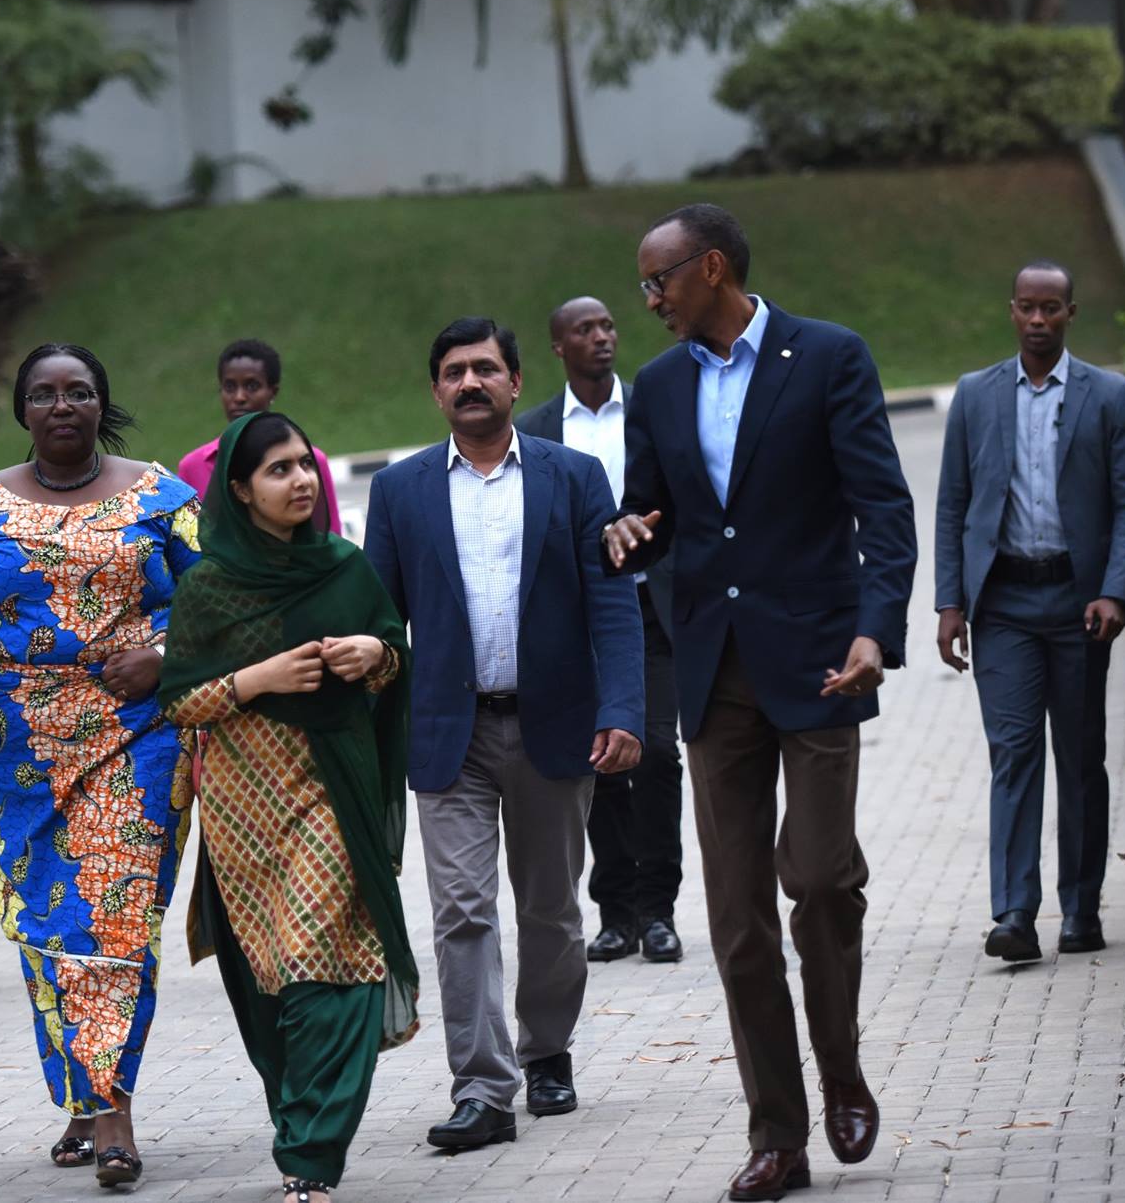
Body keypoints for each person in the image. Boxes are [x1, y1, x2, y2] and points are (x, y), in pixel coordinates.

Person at [602, 204, 919, 1202]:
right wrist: (624, 532)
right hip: (713, 673)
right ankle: (777, 1134)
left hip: (821, 660)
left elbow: (883, 503)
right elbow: (652, 513)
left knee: (821, 878)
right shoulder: (653, 387)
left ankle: (840, 1067)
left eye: (657, 281)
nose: (645, 299)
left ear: (710, 268)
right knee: (737, 919)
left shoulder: (826, 356)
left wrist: (877, 628)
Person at [0, 343, 201, 1189]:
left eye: (80, 392)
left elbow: (223, 605)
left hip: (140, 740)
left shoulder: (164, 499)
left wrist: (165, 656)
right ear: (23, 411)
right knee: (53, 931)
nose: (63, 405)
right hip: (12, 754)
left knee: (119, 923)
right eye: (44, 394)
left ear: (103, 404)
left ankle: (115, 1119)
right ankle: (85, 1095)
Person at [362, 317, 643, 1150]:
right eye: (453, 372)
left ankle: (547, 1051)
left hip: (556, 729)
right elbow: (380, 620)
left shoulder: (575, 476)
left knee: (552, 910)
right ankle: (483, 1088)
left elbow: (613, 605)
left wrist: (622, 710)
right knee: (461, 912)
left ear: (518, 383)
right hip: (450, 735)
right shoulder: (401, 489)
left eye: (485, 369)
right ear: (437, 389)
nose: (470, 383)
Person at [160, 410, 419, 1203]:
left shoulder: (344, 567)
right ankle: (297, 1119)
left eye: (304, 464)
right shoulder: (209, 587)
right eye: (278, 470)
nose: (301, 479)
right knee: (268, 980)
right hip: (241, 810)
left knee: (324, 962)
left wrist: (377, 653)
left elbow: (393, 656)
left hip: (329, 791)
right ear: (239, 491)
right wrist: (257, 680)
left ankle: (310, 1155)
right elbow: (180, 702)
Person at [934, 260, 1125, 964]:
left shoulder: (1110, 396)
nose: (1037, 320)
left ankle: (1081, 908)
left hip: (1079, 604)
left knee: (1081, 757)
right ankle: (1015, 914)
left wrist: (1117, 592)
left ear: (1070, 313)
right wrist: (949, 602)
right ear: (1011, 311)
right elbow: (952, 507)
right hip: (1003, 605)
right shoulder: (975, 396)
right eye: (1027, 307)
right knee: (1014, 752)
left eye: (1051, 308)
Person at [515, 296, 685, 965]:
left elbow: (681, 496)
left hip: (653, 610)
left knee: (660, 756)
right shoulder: (538, 431)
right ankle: (616, 912)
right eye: (584, 330)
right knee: (603, 766)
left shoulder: (650, 407)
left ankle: (660, 909)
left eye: (608, 326)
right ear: (559, 346)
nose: (602, 337)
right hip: (578, 621)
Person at [176, 339, 342, 534]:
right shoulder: (193, 466)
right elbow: (188, 543)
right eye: (229, 387)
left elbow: (329, 535)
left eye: (252, 386)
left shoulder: (311, 461)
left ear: (273, 391)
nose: (239, 397)